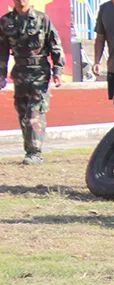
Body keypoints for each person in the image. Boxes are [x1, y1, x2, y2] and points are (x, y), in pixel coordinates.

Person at [0, 0, 64, 165]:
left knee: (34, 113)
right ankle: (30, 149)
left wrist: (57, 70)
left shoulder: (42, 19)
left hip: (39, 73)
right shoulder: (6, 21)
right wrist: (1, 75)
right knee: (22, 112)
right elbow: (2, 51)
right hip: (20, 73)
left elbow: (55, 44)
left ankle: (35, 153)